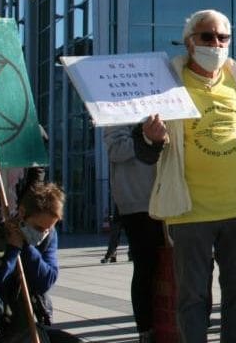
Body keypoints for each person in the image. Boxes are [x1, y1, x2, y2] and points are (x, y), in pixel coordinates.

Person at [134, 9, 236, 343]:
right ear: (189, 42)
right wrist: (151, 138)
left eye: (223, 37)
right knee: (193, 298)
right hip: (190, 213)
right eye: (207, 37)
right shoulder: (166, 84)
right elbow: (144, 152)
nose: (216, 44)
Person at [0, 182, 80, 343]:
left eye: (48, 228)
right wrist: (12, 251)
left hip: (28, 317)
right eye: (38, 228)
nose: (43, 233)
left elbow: (46, 280)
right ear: (22, 213)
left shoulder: (49, 235)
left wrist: (26, 247)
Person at [104, 126, 163, 343]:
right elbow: (115, 149)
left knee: (179, 266)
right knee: (145, 266)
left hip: (170, 197)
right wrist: (148, 136)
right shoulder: (118, 112)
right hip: (137, 203)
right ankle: (146, 328)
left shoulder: (167, 108)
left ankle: (173, 322)